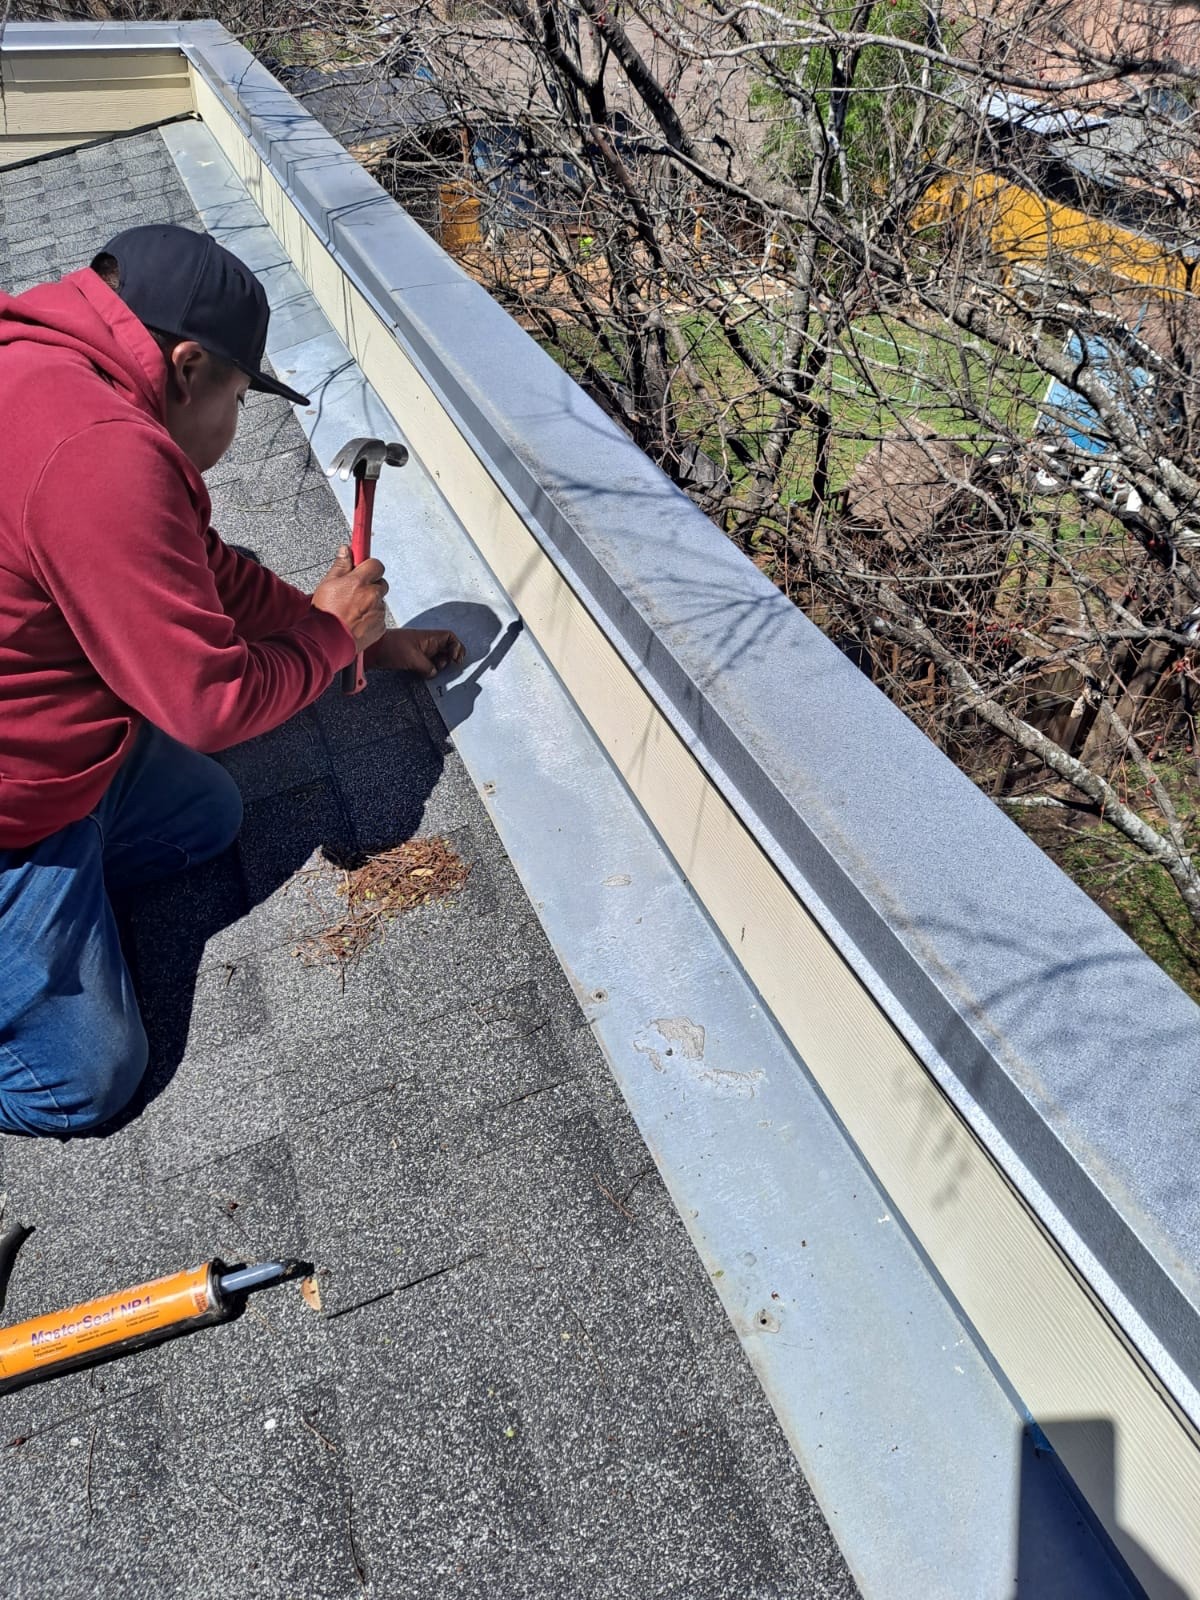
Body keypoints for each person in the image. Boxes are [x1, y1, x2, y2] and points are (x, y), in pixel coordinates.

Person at [0, 224, 464, 1137]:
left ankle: (61, 914)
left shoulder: (58, 364)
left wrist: (349, 641)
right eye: (240, 396)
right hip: (12, 808)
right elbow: (208, 704)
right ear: (186, 365)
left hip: (53, 755)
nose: (235, 420)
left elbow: (200, 568)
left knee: (208, 817)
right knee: (84, 1081)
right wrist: (327, 640)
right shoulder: (97, 452)